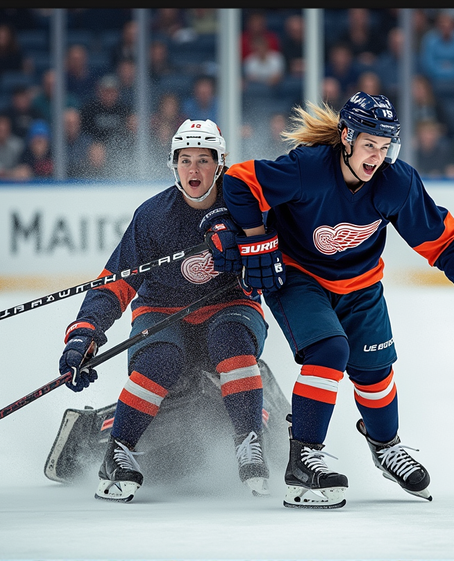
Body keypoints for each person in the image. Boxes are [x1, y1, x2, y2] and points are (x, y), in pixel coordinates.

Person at [218, 91, 454, 509]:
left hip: (362, 285)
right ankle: (303, 458)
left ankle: (386, 446)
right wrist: (254, 238)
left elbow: (439, 237)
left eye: (385, 146)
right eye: (370, 144)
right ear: (347, 138)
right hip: (299, 277)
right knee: (329, 350)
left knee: (375, 370)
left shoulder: (395, 182)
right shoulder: (307, 168)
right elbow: (239, 182)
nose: (377, 156)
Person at [57, 118, 272, 502]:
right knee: (159, 361)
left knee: (231, 340)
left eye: (203, 160)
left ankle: (248, 441)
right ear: (174, 164)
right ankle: (118, 451)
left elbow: (274, 258)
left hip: (229, 305)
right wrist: (85, 332)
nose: (194, 169)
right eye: (185, 160)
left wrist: (247, 253)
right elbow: (116, 282)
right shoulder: (153, 215)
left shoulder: (245, 204)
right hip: (162, 310)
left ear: (220, 163)